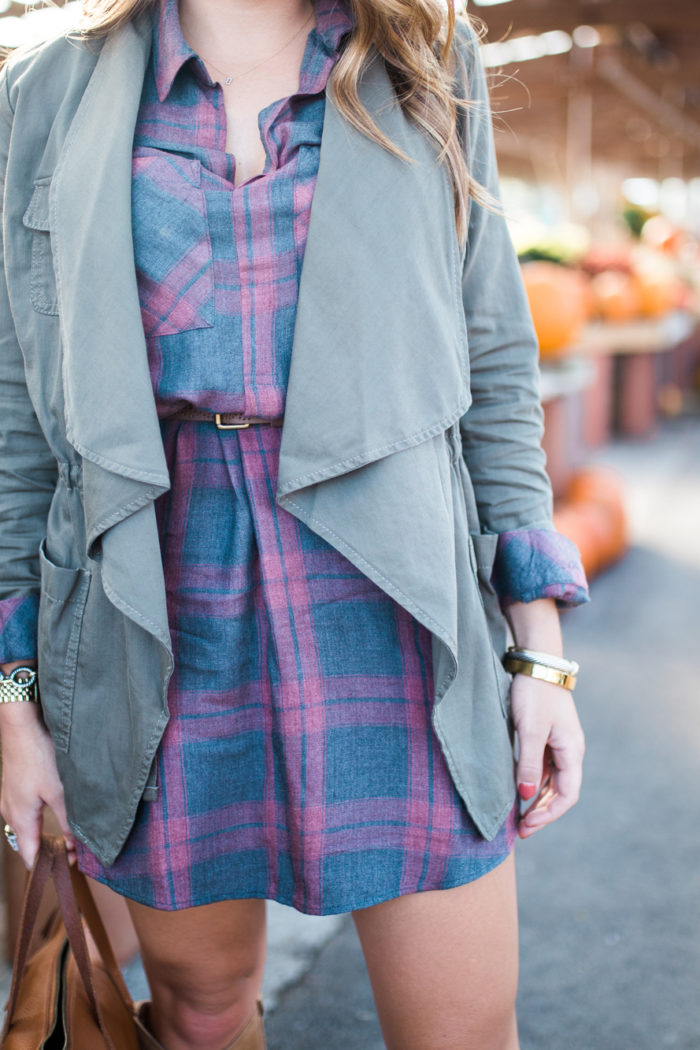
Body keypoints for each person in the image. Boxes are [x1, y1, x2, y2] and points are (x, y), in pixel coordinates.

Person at [0, 0, 590, 1044]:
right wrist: (14, 701)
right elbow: (18, 418)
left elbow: (494, 361)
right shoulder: (49, 89)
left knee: (460, 1028)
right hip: (156, 595)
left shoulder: (419, 57)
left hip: (394, 597)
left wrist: (538, 655)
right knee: (198, 1012)